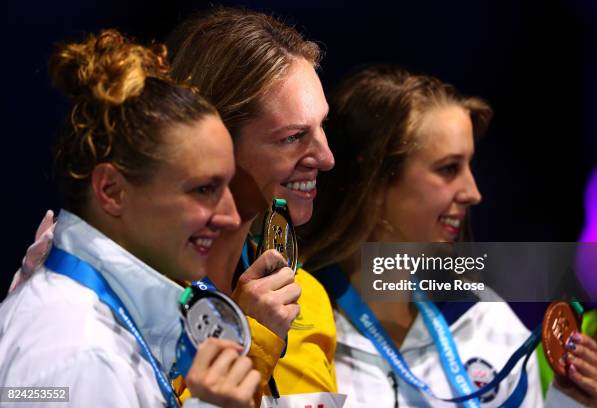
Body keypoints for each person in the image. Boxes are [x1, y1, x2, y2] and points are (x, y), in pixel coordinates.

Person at [0, 30, 261, 407]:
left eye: (227, 186)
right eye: (204, 190)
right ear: (112, 191)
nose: (230, 215)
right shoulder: (80, 355)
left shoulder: (91, 329)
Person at [299, 65, 543, 407]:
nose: (473, 193)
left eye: (469, 166)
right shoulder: (296, 326)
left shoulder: (486, 321)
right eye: (448, 169)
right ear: (375, 182)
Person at [166, 7, 339, 406]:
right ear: (214, 144)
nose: (327, 157)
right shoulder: (146, 306)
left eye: (322, 127)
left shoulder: (305, 297)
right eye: (293, 137)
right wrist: (250, 337)